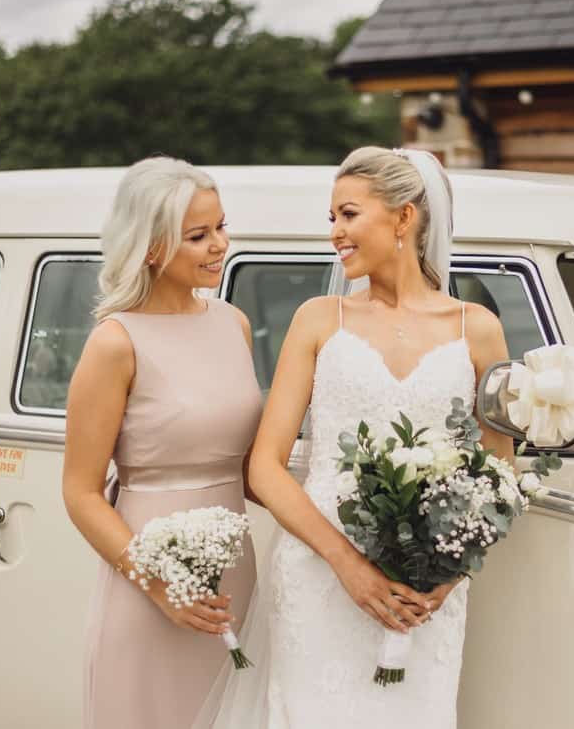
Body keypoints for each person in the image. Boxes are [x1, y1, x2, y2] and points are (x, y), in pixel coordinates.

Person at [232, 146, 512, 728]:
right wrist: (346, 564)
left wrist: (445, 577)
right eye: (332, 218)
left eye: (348, 215)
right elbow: (263, 466)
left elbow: (498, 476)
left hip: (426, 596)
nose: (335, 232)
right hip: (319, 576)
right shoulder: (318, 319)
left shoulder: (478, 330)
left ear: (404, 217)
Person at [63, 156, 261, 729]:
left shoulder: (233, 323)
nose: (219, 245)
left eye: (221, 226)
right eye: (198, 235)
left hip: (234, 575)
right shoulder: (114, 343)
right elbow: (80, 494)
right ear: (151, 247)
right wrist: (158, 586)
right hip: (146, 583)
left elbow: (251, 469)